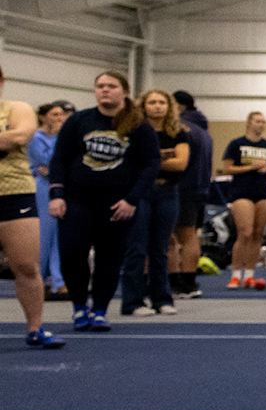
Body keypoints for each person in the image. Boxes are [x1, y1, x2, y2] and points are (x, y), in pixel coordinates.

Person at [50, 70, 161, 331]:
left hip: (116, 204)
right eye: (100, 86)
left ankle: (100, 310)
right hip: (77, 200)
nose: (105, 90)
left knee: (109, 258)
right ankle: (79, 307)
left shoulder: (138, 125)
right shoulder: (79, 120)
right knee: (72, 253)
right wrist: (57, 195)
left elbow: (150, 165)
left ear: (124, 91)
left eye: (111, 86)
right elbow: (60, 159)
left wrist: (132, 200)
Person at [118, 90, 189, 315]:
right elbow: (129, 162)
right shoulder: (134, 131)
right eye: (152, 102)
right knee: (136, 248)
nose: (157, 106)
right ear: (143, 106)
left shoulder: (178, 133)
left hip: (167, 193)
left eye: (162, 102)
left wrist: (150, 160)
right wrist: (161, 157)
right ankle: (132, 301)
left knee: (160, 248)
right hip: (139, 193)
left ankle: (162, 299)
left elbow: (180, 164)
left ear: (169, 107)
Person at [1, 72, 55, 347]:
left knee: (26, 266)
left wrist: (12, 136)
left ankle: (36, 328)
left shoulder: (17, 108)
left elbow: (22, 134)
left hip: (14, 195)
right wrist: (5, 136)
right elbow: (9, 138)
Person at [219, 112, 266, 290]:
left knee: (257, 234)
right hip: (241, 191)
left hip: (263, 192)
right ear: (249, 123)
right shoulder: (236, 144)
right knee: (244, 232)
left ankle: (250, 274)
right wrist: (250, 167)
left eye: (263, 122)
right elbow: (227, 168)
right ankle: (236, 273)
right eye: (258, 121)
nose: (261, 124)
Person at [170, 91, 213, 300]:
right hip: (200, 189)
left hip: (183, 187)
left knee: (178, 237)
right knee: (191, 235)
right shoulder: (203, 129)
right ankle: (188, 281)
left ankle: (182, 283)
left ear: (178, 105)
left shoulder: (182, 129)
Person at [30, 100, 71, 299]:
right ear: (43, 117)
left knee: (59, 235)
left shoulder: (63, 136)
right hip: (43, 188)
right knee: (44, 235)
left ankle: (58, 279)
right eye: (54, 115)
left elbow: (63, 161)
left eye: (61, 115)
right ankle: (41, 279)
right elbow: (47, 162)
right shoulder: (36, 138)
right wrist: (56, 166)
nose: (59, 119)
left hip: (59, 185)